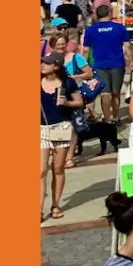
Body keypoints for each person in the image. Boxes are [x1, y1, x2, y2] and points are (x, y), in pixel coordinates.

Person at [41, 52, 83, 221]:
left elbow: (79, 102)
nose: (42, 65)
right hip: (41, 128)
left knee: (57, 169)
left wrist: (66, 103)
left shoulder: (67, 83)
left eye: (47, 63)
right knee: (40, 171)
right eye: (42, 62)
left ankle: (56, 204)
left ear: (56, 66)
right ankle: (38, 209)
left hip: (61, 128)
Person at [82, 3, 130, 122]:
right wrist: (132, 61)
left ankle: (107, 119)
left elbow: (86, 50)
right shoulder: (120, 28)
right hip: (117, 64)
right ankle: (115, 116)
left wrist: (84, 65)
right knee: (116, 93)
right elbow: (127, 46)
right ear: (109, 13)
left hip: (99, 65)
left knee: (105, 93)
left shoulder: (90, 30)